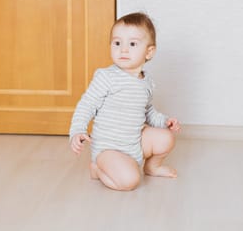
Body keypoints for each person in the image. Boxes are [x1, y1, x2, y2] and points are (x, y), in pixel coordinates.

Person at [69, 12, 181, 191]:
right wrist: (77, 130)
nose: (123, 49)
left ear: (149, 52)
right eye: (117, 43)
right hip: (109, 148)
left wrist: (164, 121)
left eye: (132, 44)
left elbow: (148, 111)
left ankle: (152, 167)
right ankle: (98, 169)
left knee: (166, 138)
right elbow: (86, 105)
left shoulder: (146, 82)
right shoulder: (106, 77)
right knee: (130, 181)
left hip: (135, 143)